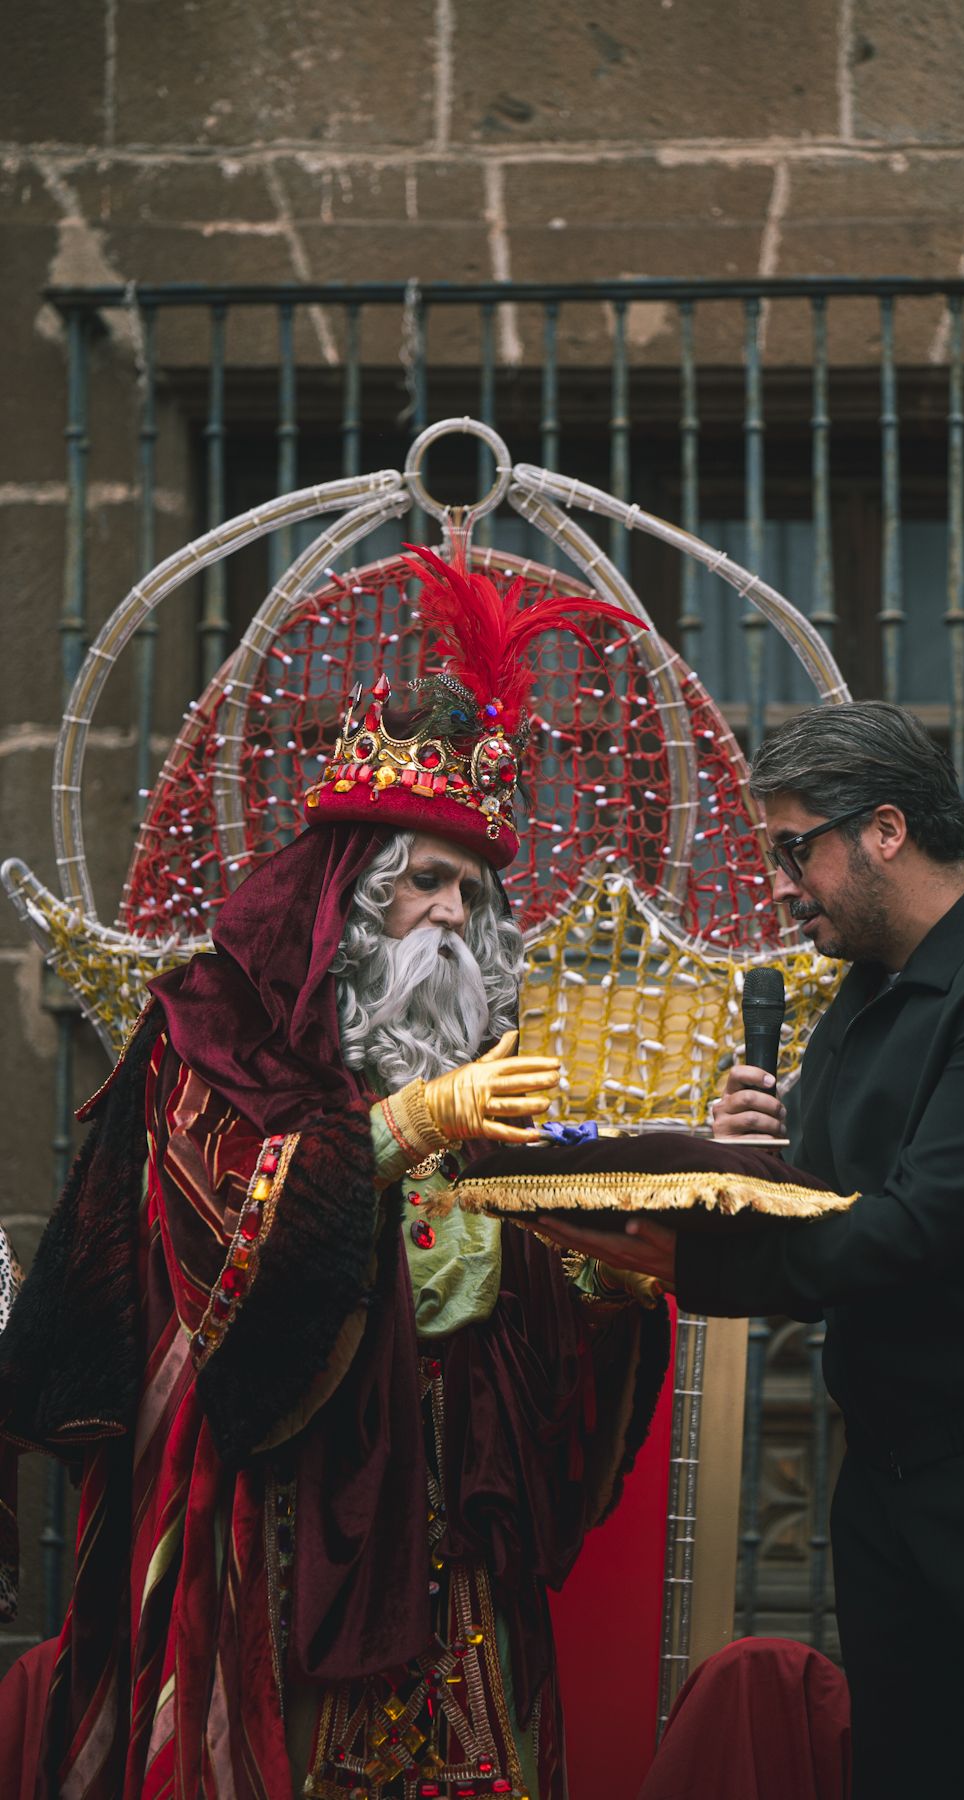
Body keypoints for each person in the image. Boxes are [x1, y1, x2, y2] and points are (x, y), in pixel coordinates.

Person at [0, 549, 668, 1800]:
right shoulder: (221, 1020)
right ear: (350, 899)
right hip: (275, 1514)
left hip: (453, 1522)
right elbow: (214, 1248)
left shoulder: (485, 1074)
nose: (452, 920)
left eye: (474, 896)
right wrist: (398, 1130)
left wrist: (607, 1290)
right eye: (425, 882)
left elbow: (520, 1326)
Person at [536, 701, 964, 1799]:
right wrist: (739, 1159)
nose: (781, 886)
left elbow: (909, 1229)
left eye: (795, 849)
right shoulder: (862, 1004)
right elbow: (829, 1197)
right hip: (897, 1474)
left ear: (885, 829)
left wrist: (691, 1263)